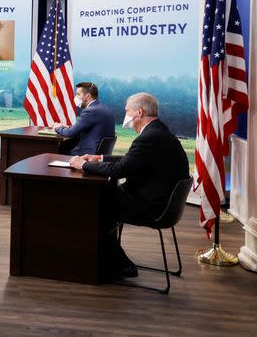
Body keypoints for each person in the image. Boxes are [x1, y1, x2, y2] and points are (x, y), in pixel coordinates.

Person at [69, 92, 190, 280]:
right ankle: (109, 259)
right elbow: (132, 161)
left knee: (94, 205)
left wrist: (83, 164)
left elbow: (119, 170)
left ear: (139, 112)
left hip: (151, 206)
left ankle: (119, 265)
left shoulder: (149, 137)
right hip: (163, 202)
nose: (125, 115)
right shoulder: (157, 132)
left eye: (127, 111)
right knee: (103, 199)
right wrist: (99, 158)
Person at [51, 82, 115, 155]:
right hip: (99, 156)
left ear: (88, 96)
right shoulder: (105, 109)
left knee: (51, 150)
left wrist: (57, 127)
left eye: (78, 94)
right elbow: (88, 129)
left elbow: (70, 133)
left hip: (85, 155)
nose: (75, 97)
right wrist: (68, 127)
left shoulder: (90, 111)